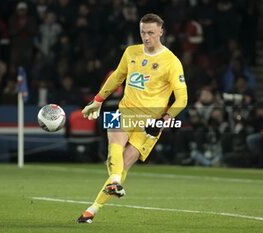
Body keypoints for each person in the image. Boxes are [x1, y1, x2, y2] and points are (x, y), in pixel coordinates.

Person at [77, 13, 188, 224]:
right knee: (115, 145)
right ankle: (115, 183)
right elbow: (117, 76)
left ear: (161, 33)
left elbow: (182, 99)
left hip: (150, 123)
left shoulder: (172, 62)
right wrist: (98, 100)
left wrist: (164, 120)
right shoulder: (131, 52)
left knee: (125, 161)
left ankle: (94, 208)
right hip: (126, 111)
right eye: (143, 32)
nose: (146, 37)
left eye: (151, 33)